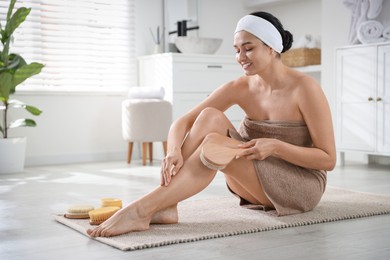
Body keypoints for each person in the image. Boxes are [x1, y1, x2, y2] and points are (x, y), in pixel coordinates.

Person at [87, 11, 336, 238]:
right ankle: (165, 205)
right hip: (253, 178)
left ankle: (143, 209)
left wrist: (276, 147)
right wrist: (173, 151)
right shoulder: (240, 87)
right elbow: (183, 122)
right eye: (237, 49)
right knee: (209, 116)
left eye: (248, 49)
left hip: (299, 186)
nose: (240, 57)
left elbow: (328, 159)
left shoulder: (305, 89)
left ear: (271, 48)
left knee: (213, 145)